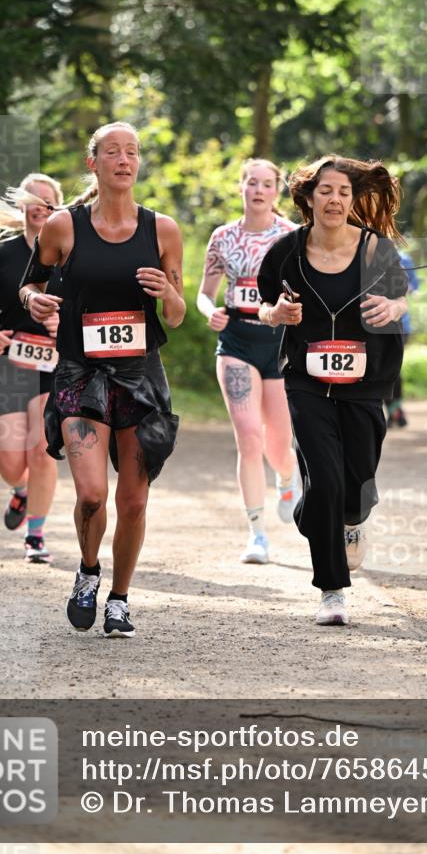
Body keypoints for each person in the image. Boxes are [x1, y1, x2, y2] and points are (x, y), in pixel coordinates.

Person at [19, 121, 185, 638]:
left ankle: (119, 598)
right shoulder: (63, 227)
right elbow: (30, 284)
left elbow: (177, 316)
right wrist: (34, 300)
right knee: (92, 494)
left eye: (131, 152)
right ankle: (88, 572)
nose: (123, 159)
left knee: (133, 500)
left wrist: (167, 294)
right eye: (112, 151)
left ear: (138, 164)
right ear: (94, 163)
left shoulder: (163, 230)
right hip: (79, 374)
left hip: (139, 377)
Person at [257, 155, 408, 627]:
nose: (335, 199)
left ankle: (338, 518)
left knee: (354, 483)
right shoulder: (286, 251)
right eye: (326, 190)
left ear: (354, 198)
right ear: (308, 197)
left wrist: (393, 307)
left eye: (344, 191)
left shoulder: (374, 250)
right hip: (306, 380)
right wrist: (277, 315)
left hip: (366, 382)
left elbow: (402, 297)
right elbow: (261, 306)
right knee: (324, 478)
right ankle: (333, 591)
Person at [196, 159, 301, 564]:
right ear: (241, 187)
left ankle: (289, 478)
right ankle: (257, 534)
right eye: (251, 182)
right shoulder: (223, 237)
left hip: (279, 344)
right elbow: (205, 292)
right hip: (236, 339)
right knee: (248, 437)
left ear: (278, 191)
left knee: (277, 443)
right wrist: (209, 310)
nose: (258, 190)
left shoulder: (291, 236)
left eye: (267, 184)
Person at [0, 174, 63, 563]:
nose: (40, 205)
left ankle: (35, 535)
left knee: (42, 449)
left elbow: (89, 306)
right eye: (32, 199)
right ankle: (20, 490)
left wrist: (65, 323)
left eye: (47, 200)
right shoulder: (2, 256)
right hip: (8, 363)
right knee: (10, 462)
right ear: (21, 206)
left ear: (58, 208)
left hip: (52, 364)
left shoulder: (70, 253)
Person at [384, 247, 419, 428]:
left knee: (393, 367)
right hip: (374, 321)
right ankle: (393, 409)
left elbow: (414, 287)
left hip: (400, 324)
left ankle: (395, 408)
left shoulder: (404, 259)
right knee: (380, 367)